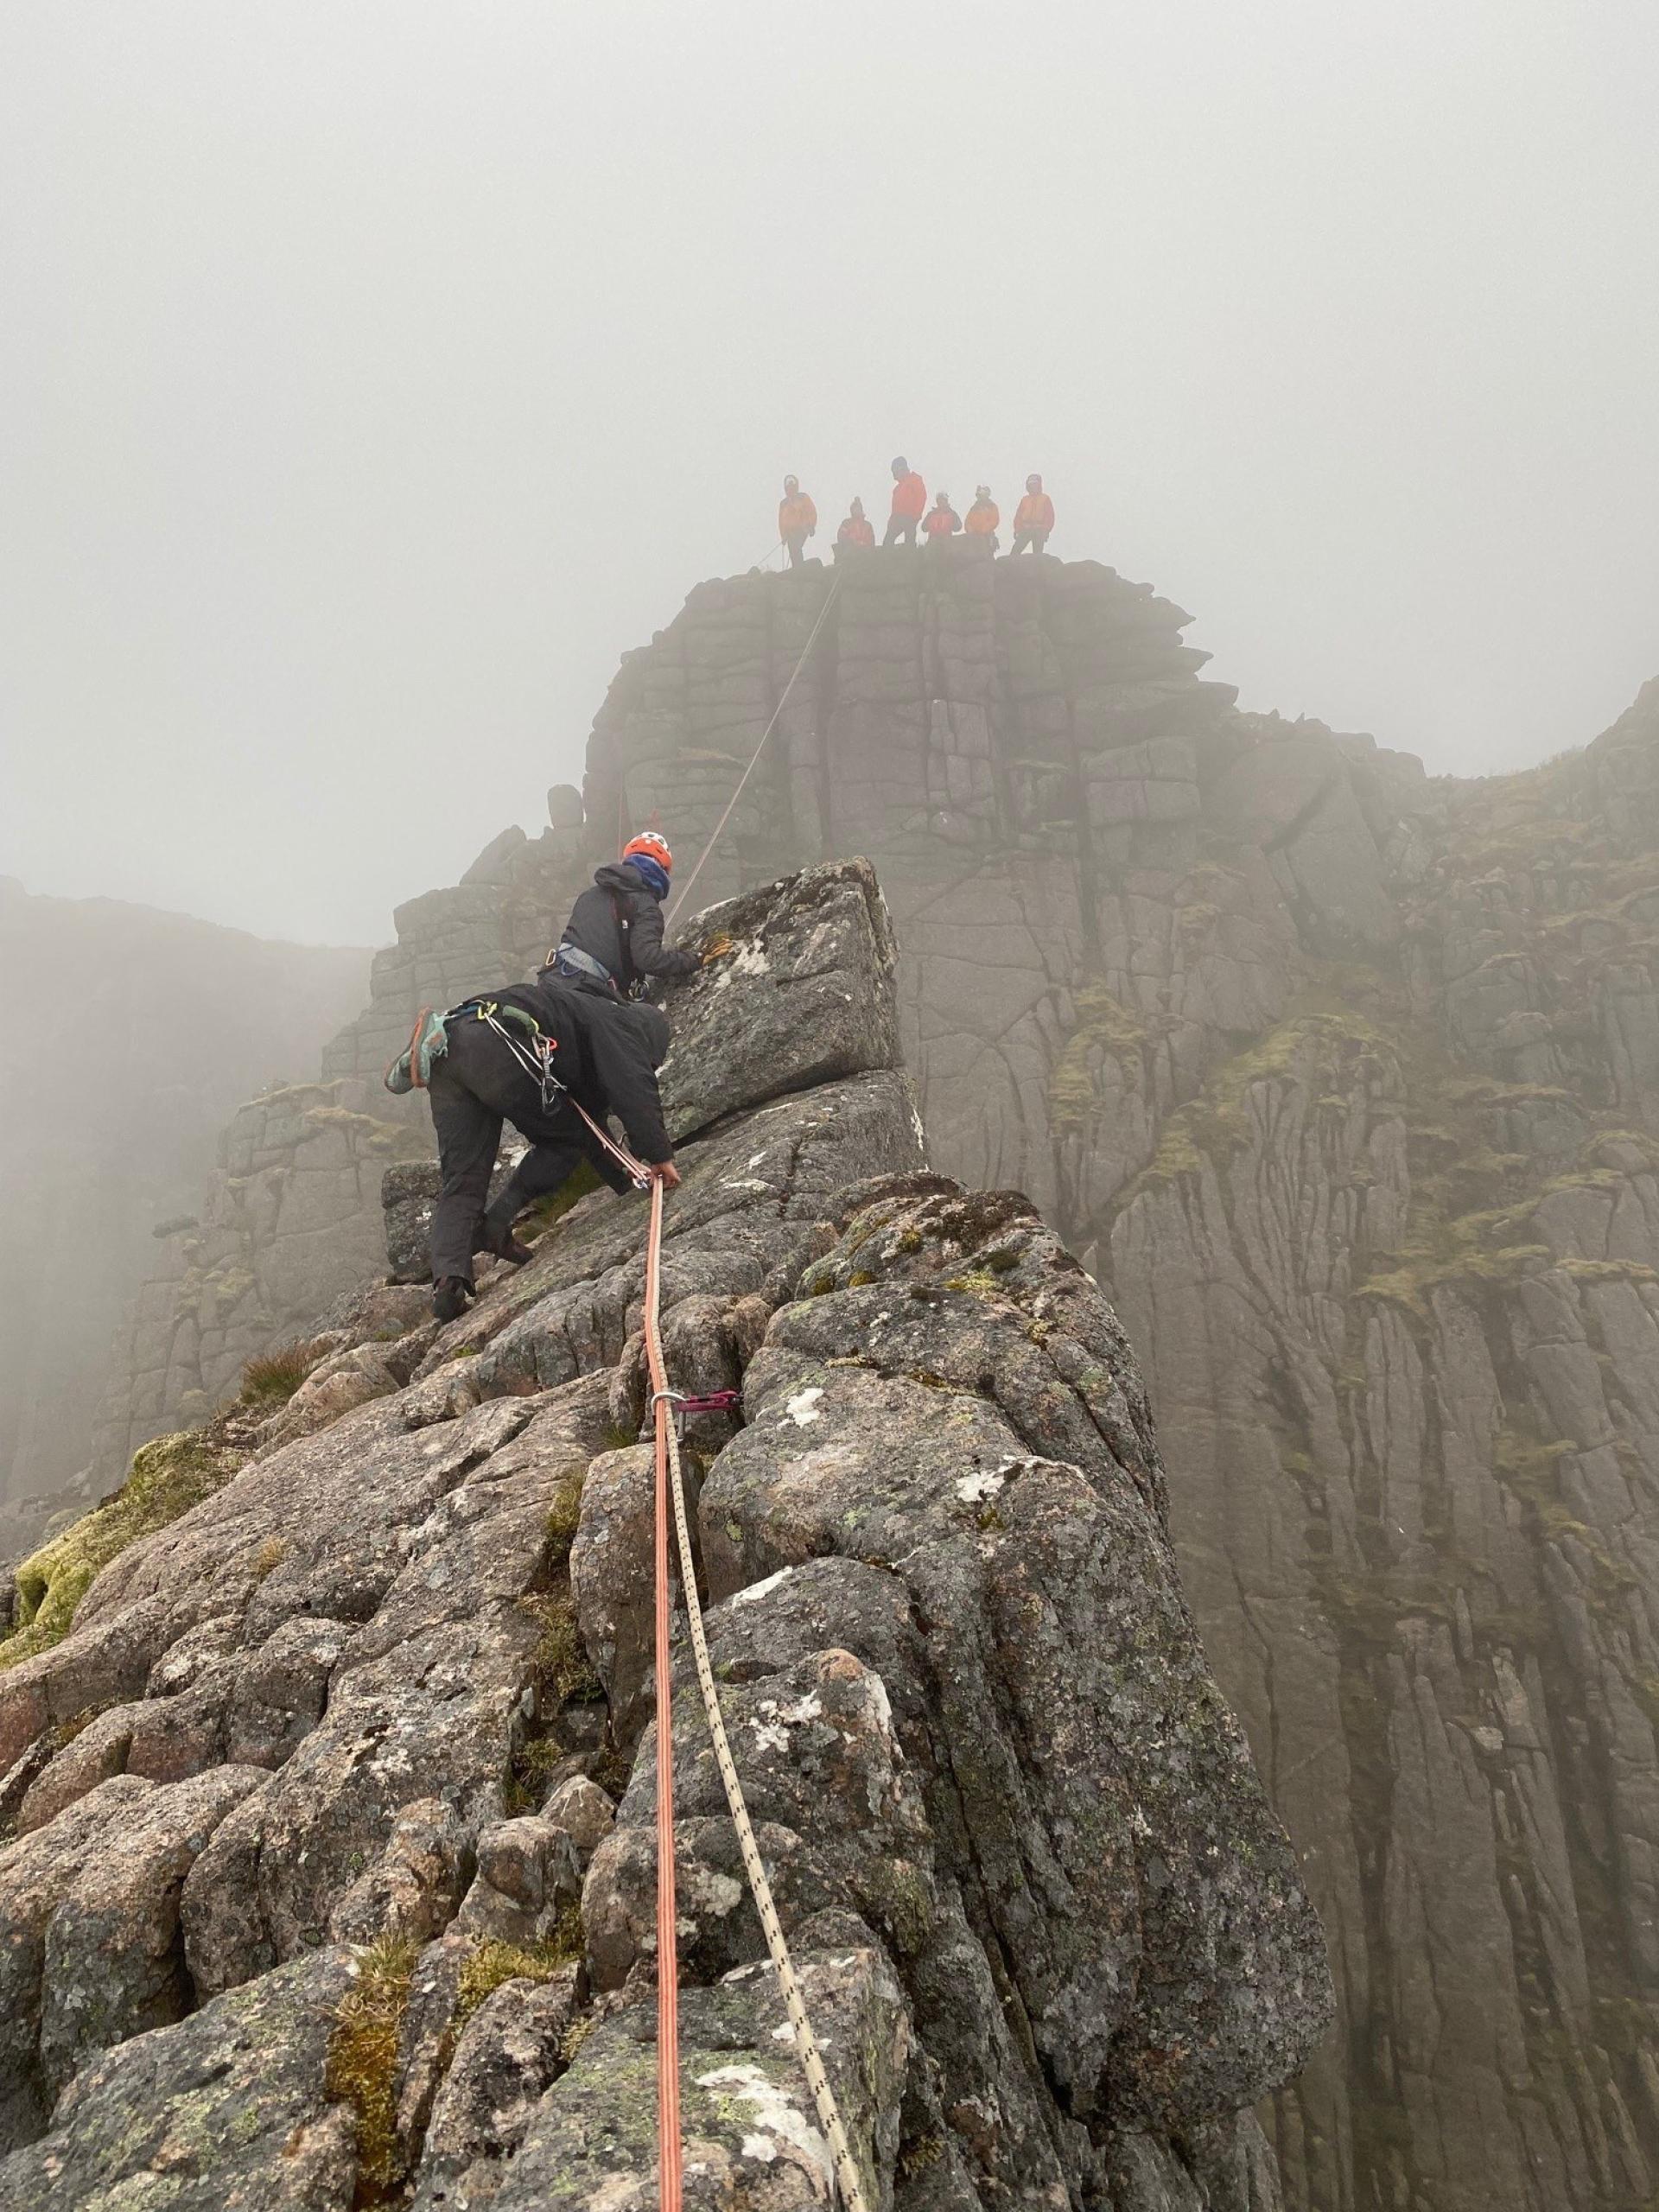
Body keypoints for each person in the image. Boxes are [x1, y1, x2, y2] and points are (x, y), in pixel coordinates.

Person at [425, 982, 678, 1321]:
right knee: (563, 1142)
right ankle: (495, 1225)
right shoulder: (622, 1023)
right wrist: (660, 1155)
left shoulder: (580, 1018)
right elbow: (630, 1083)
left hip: (448, 1047)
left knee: (462, 1178)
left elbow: (592, 1130)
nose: (649, 1065)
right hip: (494, 1042)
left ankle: (448, 1280)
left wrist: (625, 1183)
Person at [553, 832, 700, 998]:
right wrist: (694, 960)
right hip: (588, 991)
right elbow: (648, 959)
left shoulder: (589, 895)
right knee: (649, 1022)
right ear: (662, 871)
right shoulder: (646, 906)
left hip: (554, 976)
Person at [883, 455, 927, 547]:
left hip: (910, 516)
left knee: (909, 541)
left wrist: (917, 514)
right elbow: (895, 507)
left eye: (895, 471)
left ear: (901, 468)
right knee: (888, 541)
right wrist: (891, 520)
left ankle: (911, 559)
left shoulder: (915, 480)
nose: (894, 475)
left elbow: (921, 497)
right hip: (897, 517)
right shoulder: (897, 488)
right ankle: (887, 559)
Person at [778, 475, 817, 568]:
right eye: (789, 486)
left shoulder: (803, 497)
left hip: (802, 529)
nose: (790, 488)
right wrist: (783, 536)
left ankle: (799, 568)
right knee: (793, 550)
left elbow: (811, 512)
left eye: (792, 485)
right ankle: (797, 568)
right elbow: (781, 522)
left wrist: (811, 525)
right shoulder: (783, 503)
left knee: (796, 547)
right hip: (790, 533)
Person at [1011, 474, 1055, 555]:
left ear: (1039, 485)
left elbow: (1050, 516)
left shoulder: (1045, 498)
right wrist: (1017, 529)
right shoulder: (1025, 499)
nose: (1033, 487)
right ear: (1028, 486)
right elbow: (1019, 516)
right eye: (1031, 485)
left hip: (1039, 530)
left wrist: (1046, 530)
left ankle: (1038, 567)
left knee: (1037, 555)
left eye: (1035, 484)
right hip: (1025, 529)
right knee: (1015, 552)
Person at [964, 486, 1000, 550]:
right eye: (979, 496)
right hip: (974, 536)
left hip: (987, 536)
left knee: (988, 554)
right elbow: (967, 522)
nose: (980, 497)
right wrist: (970, 530)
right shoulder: (974, 508)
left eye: (981, 495)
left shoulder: (992, 506)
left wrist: (984, 530)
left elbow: (995, 520)